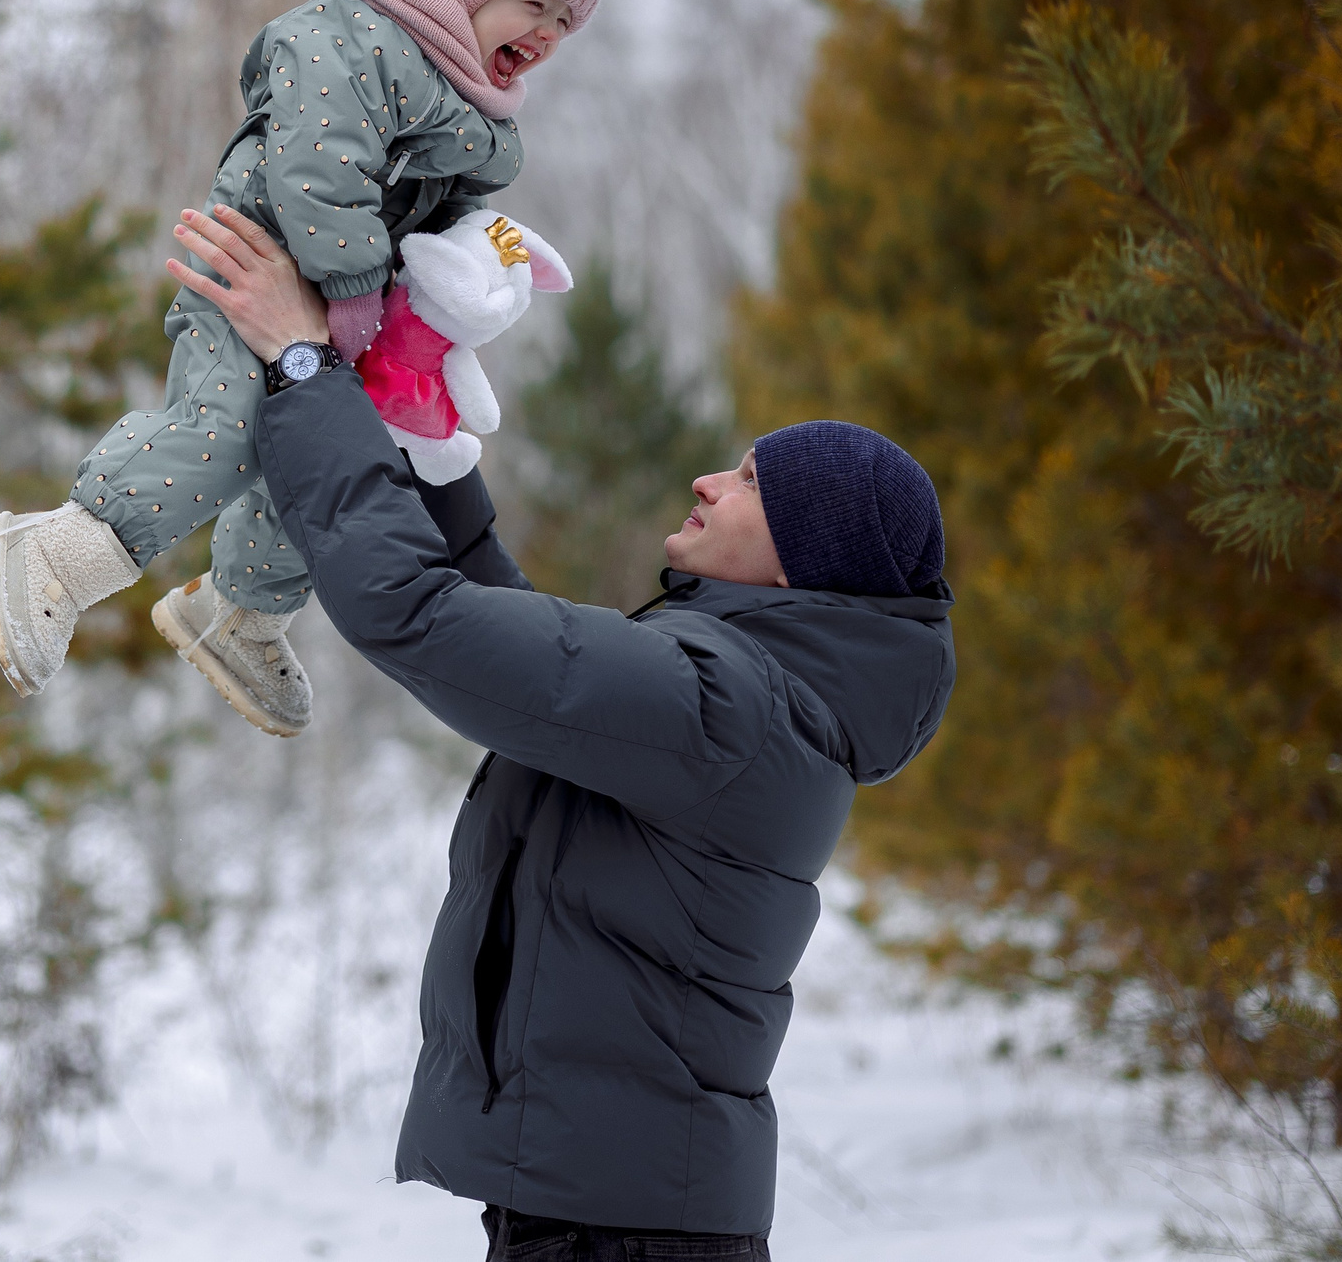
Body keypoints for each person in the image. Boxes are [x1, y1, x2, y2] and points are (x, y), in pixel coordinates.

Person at [163, 204, 957, 1257]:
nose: (709, 481)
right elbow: (528, 660)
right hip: (623, 1214)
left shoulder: (729, 706)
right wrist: (436, 462)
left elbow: (420, 618)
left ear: (806, 557)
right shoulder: (749, 700)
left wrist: (306, 370)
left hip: (619, 1231)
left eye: (751, 482)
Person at [0, 0, 605, 739]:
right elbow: (317, 160)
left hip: (343, 320)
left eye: (568, 20)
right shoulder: (351, 37)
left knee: (330, 466)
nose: (550, 32)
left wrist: (458, 291)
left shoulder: (479, 127)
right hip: (255, 271)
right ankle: (58, 551)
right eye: (535, 1)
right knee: (223, 429)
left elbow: (449, 225)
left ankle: (236, 612)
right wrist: (351, 288)